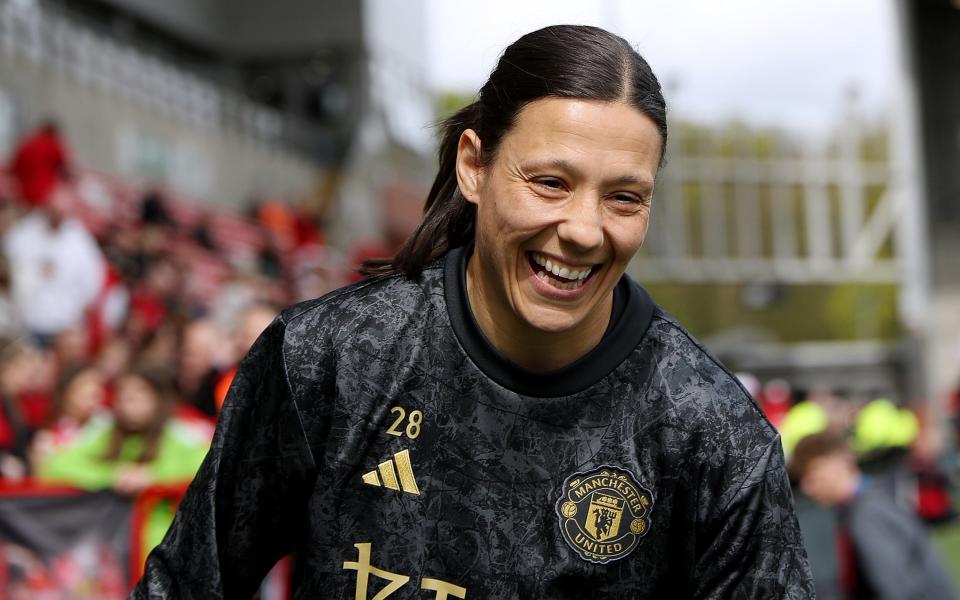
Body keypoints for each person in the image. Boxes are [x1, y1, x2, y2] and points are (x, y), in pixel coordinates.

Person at [134, 25, 813, 598]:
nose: (583, 229)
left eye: (624, 198)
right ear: (474, 167)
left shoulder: (714, 436)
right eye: (551, 182)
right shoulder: (330, 361)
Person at [790, 431, 956, 599]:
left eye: (811, 474)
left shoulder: (866, 514)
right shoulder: (871, 499)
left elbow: (896, 590)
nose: (806, 487)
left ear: (838, 462)